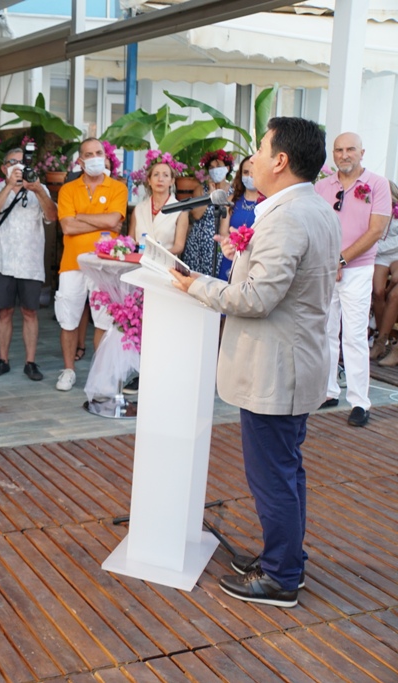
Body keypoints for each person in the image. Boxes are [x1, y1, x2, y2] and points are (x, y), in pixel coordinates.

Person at [170, 116, 340, 608]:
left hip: (277, 369)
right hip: (293, 362)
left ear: (281, 160)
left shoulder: (288, 216)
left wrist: (197, 285)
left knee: (273, 476)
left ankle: (281, 576)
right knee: (286, 470)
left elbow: (257, 298)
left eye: (262, 150)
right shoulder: (313, 206)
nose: (254, 160)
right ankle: (285, 559)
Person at [315, 132, 391, 426]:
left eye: (350, 149)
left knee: (354, 335)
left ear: (362, 152)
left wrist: (341, 260)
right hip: (326, 268)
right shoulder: (322, 186)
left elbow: (376, 230)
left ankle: (360, 401)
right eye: (338, 150)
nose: (344, 155)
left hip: (357, 269)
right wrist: (328, 260)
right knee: (325, 330)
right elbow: (317, 226)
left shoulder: (377, 184)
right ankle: (328, 390)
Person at [53, 138, 127, 391]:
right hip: (72, 263)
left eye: (99, 153)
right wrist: (101, 221)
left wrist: (81, 217)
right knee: (68, 318)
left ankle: (102, 373)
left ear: (105, 156)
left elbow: (114, 220)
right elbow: (67, 226)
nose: (95, 157)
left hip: (104, 265)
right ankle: (68, 370)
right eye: (89, 154)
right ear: (80, 160)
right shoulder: (68, 189)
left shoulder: (117, 188)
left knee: (104, 321)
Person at [0, 146, 60, 383]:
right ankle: (3, 360)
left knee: (30, 312)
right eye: (12, 163)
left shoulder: (39, 187)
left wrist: (38, 190)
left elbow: (52, 216)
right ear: (4, 167)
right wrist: (9, 186)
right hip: (3, 261)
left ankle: (30, 362)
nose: (18, 167)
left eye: (21, 163)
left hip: (30, 261)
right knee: (4, 312)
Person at [182, 150, 234, 277]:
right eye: (211, 167)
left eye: (218, 166)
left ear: (227, 168)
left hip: (219, 242)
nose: (215, 170)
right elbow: (196, 215)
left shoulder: (234, 191)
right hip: (198, 242)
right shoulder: (200, 189)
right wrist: (210, 195)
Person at [128, 155, 188, 254]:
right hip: (139, 260)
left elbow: (179, 246)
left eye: (165, 175)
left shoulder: (180, 210)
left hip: (165, 261)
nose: (160, 179)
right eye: (156, 175)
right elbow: (130, 239)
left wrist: (157, 254)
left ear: (172, 181)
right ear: (149, 180)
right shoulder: (139, 208)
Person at [217, 155, 263, 281]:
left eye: (253, 172)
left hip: (254, 258)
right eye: (246, 172)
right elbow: (223, 231)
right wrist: (236, 244)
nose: (250, 176)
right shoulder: (231, 200)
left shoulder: (267, 202)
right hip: (231, 254)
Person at [371, 182, 398, 365]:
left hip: (395, 253)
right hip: (380, 255)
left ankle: (381, 339)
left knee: (394, 283)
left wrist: (374, 248)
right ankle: (382, 339)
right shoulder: (375, 209)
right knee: (378, 291)